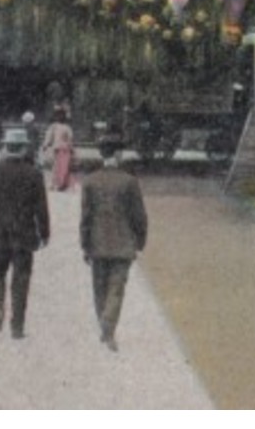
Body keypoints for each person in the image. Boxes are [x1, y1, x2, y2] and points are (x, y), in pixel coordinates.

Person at [0, 128, 49, 340]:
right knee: (21, 280)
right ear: (24, 148)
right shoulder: (34, 174)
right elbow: (41, 208)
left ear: (5, 147)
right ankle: (17, 326)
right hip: (24, 235)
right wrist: (44, 233)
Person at [79, 138, 148, 352]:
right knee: (116, 289)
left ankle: (104, 325)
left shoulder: (89, 181)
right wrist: (140, 242)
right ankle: (108, 328)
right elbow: (139, 216)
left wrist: (85, 244)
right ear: (118, 155)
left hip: (97, 244)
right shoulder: (129, 181)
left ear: (102, 154)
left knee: (99, 288)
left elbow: (86, 217)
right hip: (123, 244)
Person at [40, 107, 75, 192]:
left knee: (65, 167)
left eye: (62, 116)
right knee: (56, 166)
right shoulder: (53, 126)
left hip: (66, 149)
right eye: (59, 116)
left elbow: (70, 139)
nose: (60, 117)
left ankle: (63, 184)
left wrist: (71, 148)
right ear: (56, 117)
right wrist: (46, 144)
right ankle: (56, 183)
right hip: (57, 149)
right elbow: (49, 136)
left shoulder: (67, 127)